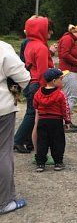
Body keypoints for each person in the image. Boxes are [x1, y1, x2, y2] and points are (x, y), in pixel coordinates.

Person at [14, 16, 54, 153]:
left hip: (29, 82)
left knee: (31, 112)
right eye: (47, 28)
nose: (51, 32)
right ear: (40, 30)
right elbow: (44, 72)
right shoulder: (41, 47)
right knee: (32, 114)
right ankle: (18, 140)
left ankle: (28, 141)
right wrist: (46, 90)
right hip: (37, 83)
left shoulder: (29, 43)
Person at [0, 41, 30, 214]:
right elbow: (23, 77)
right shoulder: (3, 48)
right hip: (2, 108)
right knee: (3, 151)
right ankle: (4, 202)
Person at [34, 68, 71, 172]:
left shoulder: (38, 93)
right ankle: (58, 162)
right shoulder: (60, 94)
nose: (62, 81)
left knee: (42, 142)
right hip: (56, 121)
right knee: (58, 142)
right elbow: (65, 109)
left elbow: (35, 104)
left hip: (43, 120)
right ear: (54, 81)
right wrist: (67, 121)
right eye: (60, 79)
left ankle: (40, 163)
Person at [58, 24, 77, 129]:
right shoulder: (68, 39)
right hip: (68, 71)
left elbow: (73, 56)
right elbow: (64, 54)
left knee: (67, 97)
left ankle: (67, 121)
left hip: (72, 71)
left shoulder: (72, 40)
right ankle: (64, 122)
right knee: (72, 97)